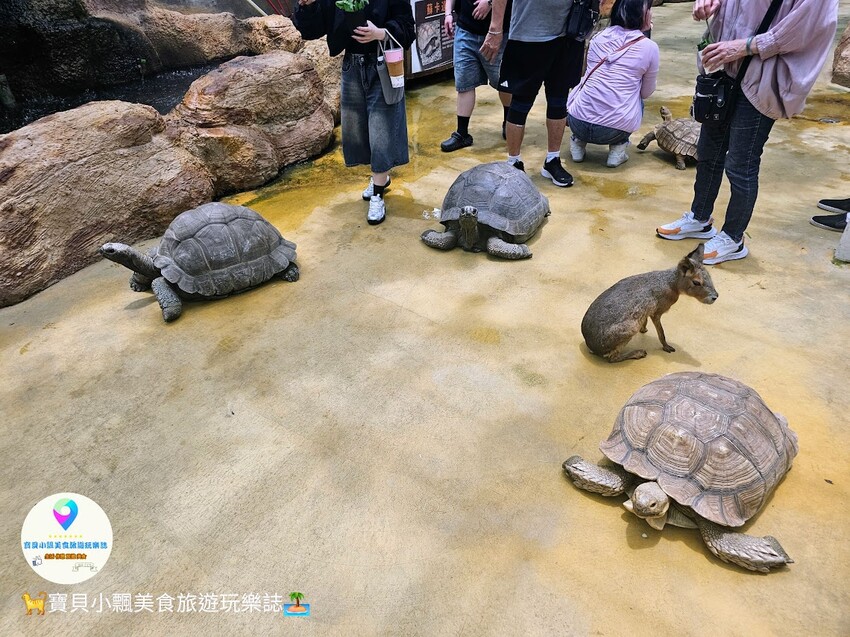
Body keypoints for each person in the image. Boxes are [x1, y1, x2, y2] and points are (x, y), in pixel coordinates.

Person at [656, 0, 838, 265]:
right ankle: (700, 218)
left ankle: (733, 238)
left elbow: (807, 27)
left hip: (763, 76)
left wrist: (744, 47)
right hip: (725, 69)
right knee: (709, 150)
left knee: (741, 164)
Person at [293, 0, 415, 225]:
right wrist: (307, 7)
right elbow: (312, 30)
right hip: (352, 66)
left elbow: (408, 27)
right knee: (359, 132)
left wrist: (380, 33)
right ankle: (381, 177)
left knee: (381, 129)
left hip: (383, 66)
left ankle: (378, 192)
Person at [482, 0, 585, 187]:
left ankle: (552, 160)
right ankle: (513, 162)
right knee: (520, 103)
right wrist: (495, 29)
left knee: (558, 102)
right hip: (528, 35)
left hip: (568, 32)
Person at [566, 0, 659, 168]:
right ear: (643, 16)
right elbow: (646, 92)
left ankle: (577, 142)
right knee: (636, 96)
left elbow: (587, 74)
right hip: (614, 131)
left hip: (577, 122)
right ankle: (618, 149)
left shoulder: (597, 37)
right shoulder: (649, 47)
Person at [440, 0, 513, 152]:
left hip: (499, 31)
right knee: (464, 80)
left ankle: (509, 121)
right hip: (465, 28)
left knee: (503, 81)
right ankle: (462, 133)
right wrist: (448, 14)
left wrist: (490, 2)